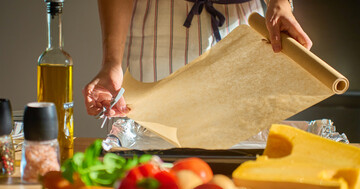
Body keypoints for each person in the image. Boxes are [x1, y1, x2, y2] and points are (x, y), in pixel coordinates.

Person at [83, 0, 312, 118]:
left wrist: (281, 1)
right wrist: (112, 61)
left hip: (241, 27)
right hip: (155, 33)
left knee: (242, 159)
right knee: (154, 167)